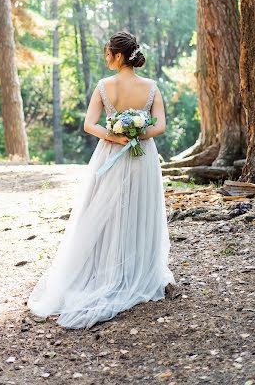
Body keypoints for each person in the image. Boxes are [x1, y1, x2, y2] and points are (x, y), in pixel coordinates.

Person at [27, 31, 176, 329]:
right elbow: (159, 126)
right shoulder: (151, 87)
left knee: (105, 212)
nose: (106, 57)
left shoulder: (104, 87)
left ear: (119, 56)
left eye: (108, 52)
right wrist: (136, 134)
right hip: (143, 156)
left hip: (110, 153)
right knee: (139, 210)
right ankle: (137, 270)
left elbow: (88, 124)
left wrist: (116, 137)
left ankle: (105, 271)